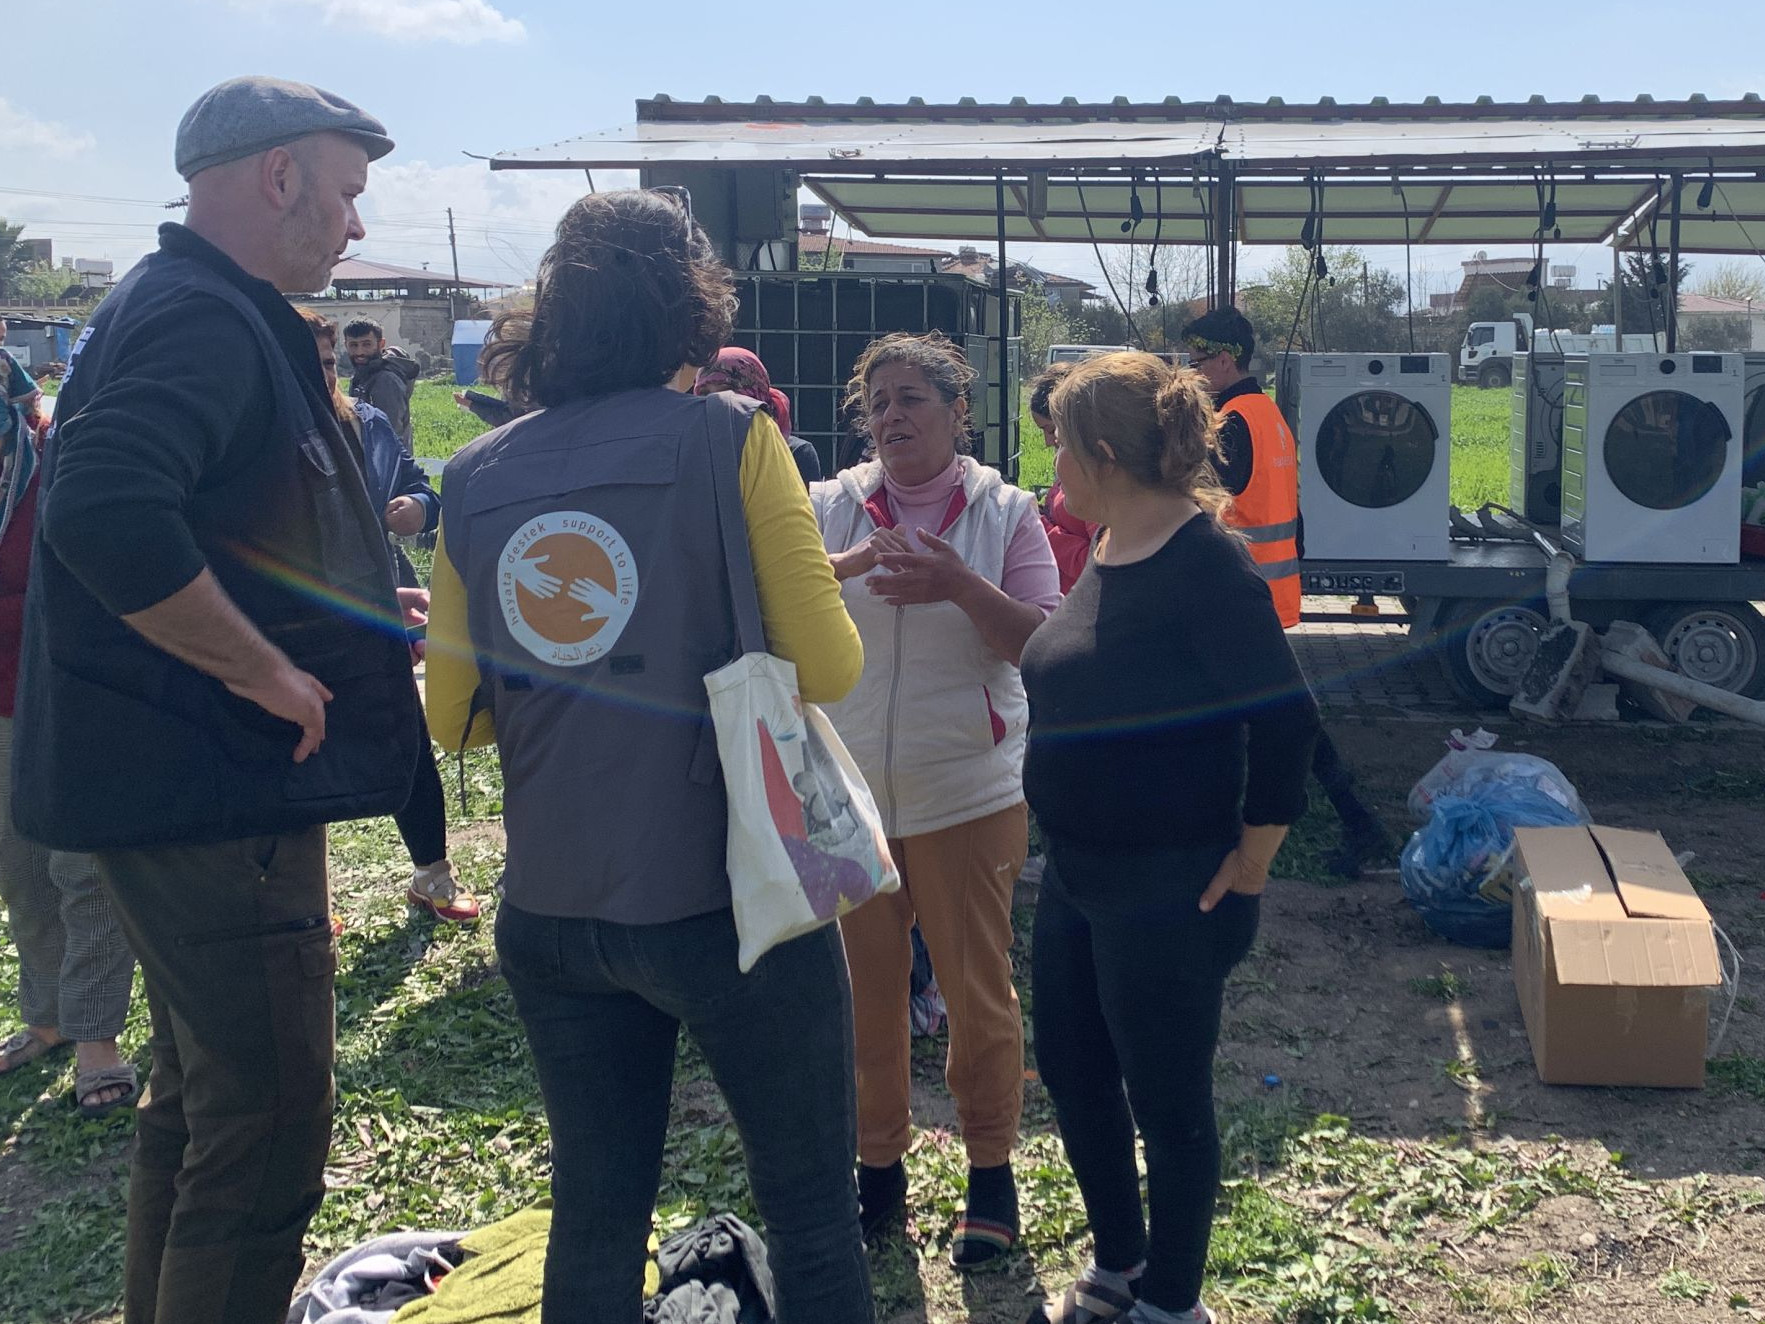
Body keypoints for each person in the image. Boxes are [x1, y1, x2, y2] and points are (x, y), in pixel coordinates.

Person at [425, 188, 875, 1324]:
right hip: (730, 896)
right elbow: (827, 667)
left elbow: (449, 713)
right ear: (691, 307)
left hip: (552, 905)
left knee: (596, 1207)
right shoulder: (732, 439)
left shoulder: (473, 476)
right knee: (813, 1211)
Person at [13, 77, 423, 1324]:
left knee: (198, 1109)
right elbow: (103, 510)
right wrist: (260, 669)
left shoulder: (185, 304)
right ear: (277, 176)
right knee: (267, 1121)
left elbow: (214, 521)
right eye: (345, 192)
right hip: (211, 785)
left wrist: (343, 621)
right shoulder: (200, 315)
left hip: (173, 785)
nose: (355, 227)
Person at [1021, 352, 1321, 1324]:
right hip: (1077, 872)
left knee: (1167, 1099)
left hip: (1168, 880)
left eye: (1062, 444)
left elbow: (1286, 721)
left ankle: (1172, 1303)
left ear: (1102, 451)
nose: (1053, 465)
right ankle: (1121, 1262)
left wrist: (1253, 855)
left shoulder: (1204, 563)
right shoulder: (1108, 548)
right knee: (1073, 1072)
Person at [812, 331, 1059, 1266]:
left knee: (974, 994)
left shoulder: (1005, 512)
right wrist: (846, 567)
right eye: (876, 402)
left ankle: (989, 1175)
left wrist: (958, 583)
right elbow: (776, 603)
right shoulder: (828, 507)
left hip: (969, 791)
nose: (891, 416)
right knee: (862, 1001)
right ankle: (878, 1176)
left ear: (959, 412)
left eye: (913, 397)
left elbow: (1035, 642)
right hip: (846, 795)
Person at [1182, 307, 1390, 877]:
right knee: (1276, 715)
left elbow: (1198, 504)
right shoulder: (1266, 412)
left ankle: (1355, 825)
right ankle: (1355, 823)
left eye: (1198, 361)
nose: (1192, 372)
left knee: (1283, 720)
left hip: (1236, 594)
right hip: (1262, 591)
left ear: (1225, 360)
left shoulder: (1229, 423)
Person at [302, 309, 479, 923]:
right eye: (312, 360)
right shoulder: (260, 437)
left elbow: (415, 485)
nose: (323, 372)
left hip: (378, 610)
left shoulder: (368, 423)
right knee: (303, 749)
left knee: (406, 738)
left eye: (328, 361)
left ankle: (433, 874)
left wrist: (420, 508)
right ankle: (309, 899)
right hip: (299, 626)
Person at [0, 339, 139, 1116]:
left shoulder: (57, 450)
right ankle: (47, 1016)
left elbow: (89, 573)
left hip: (70, 687)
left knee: (80, 866)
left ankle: (96, 1038)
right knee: (18, 866)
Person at [693, 346, 823, 486]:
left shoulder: (795, 453)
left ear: (755, 393)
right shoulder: (693, 454)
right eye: (704, 394)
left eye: (725, 392)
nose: (713, 402)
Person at [1028, 361, 1098, 595]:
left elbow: (1093, 565)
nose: (1049, 441)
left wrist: (1040, 527)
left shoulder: (1097, 480)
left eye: (1050, 430)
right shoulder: (1078, 467)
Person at [344, 317, 419, 450]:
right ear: (346, 345)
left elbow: (390, 434)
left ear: (381, 344)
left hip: (387, 463)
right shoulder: (363, 374)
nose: (359, 352)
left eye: (367, 344)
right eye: (353, 345)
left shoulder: (386, 380)